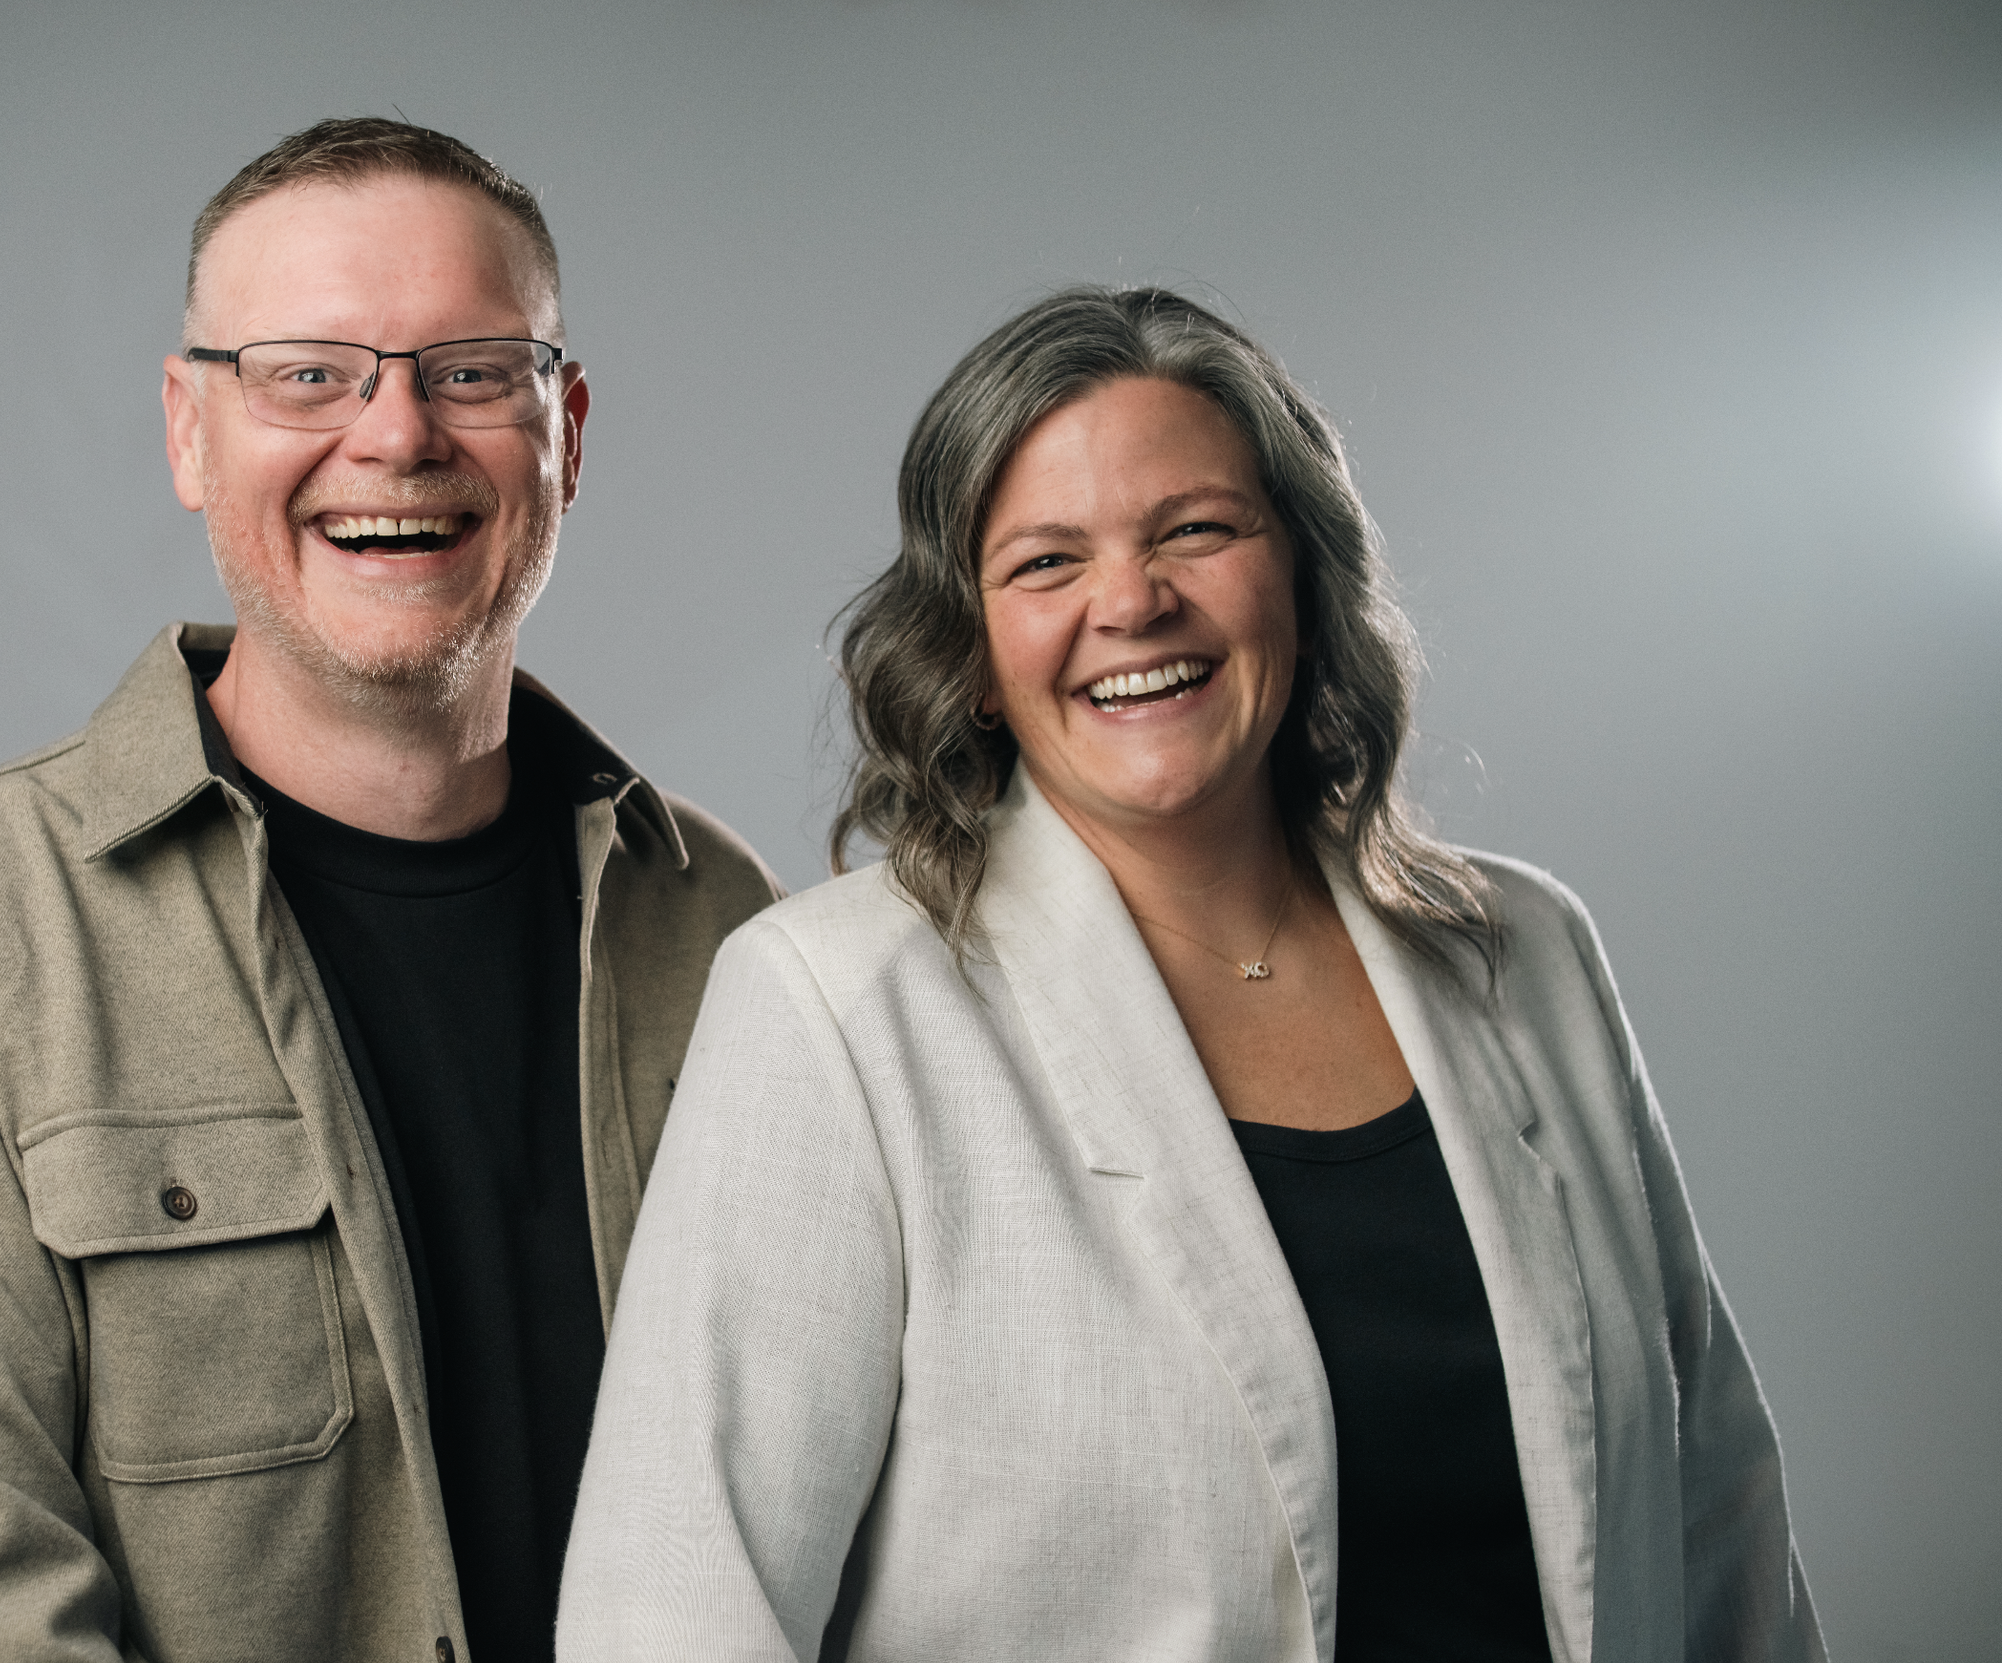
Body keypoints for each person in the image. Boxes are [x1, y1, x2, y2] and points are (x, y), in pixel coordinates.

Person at [557, 287, 1825, 1660]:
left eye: (1196, 530)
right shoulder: (834, 1007)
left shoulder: (1529, 957)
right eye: (1046, 563)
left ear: (1301, 572)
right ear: (972, 655)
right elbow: (671, 1611)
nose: (1133, 602)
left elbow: (1721, 1534)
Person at [0, 118, 779, 1663]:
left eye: (471, 369)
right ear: (188, 429)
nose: (396, 435)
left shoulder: (722, 923)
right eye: (309, 372)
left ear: (567, 428)